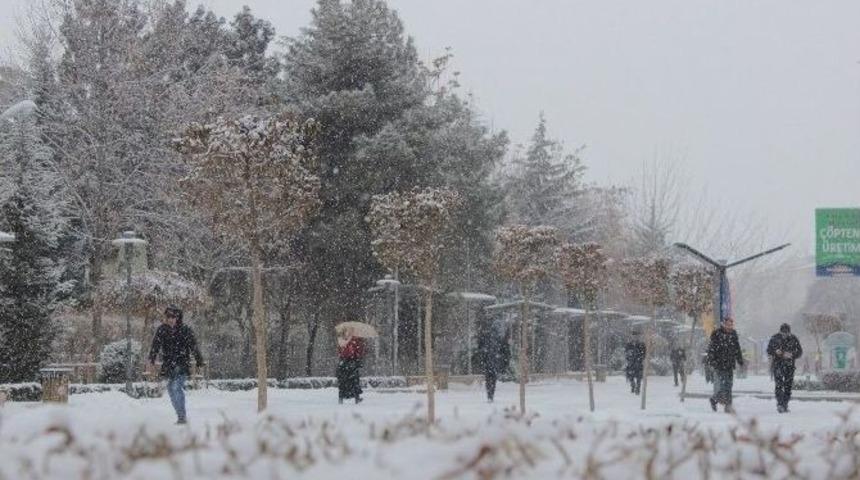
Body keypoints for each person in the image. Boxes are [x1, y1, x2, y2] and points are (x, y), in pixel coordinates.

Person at [148, 305, 204, 425]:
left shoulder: (185, 330)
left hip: (182, 364)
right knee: (170, 390)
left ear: (178, 317)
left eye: (173, 317)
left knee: (176, 387)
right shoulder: (162, 330)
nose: (171, 319)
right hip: (168, 365)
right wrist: (151, 359)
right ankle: (180, 415)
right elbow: (155, 346)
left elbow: (193, 346)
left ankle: (182, 417)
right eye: (168, 317)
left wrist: (199, 360)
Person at [707, 317, 744, 413]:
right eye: (728, 324)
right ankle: (720, 402)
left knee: (729, 385)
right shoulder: (717, 334)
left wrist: (740, 360)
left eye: (731, 325)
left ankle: (723, 403)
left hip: (730, 364)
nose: (730, 327)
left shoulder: (733, 334)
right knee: (724, 385)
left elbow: (737, 348)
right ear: (723, 324)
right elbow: (711, 349)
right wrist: (712, 361)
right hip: (719, 364)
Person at [766, 323, 803, 413]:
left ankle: (785, 404)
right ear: (780, 331)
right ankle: (780, 403)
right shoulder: (775, 338)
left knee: (788, 386)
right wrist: (775, 352)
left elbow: (800, 352)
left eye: (787, 333)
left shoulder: (793, 339)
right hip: (778, 364)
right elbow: (768, 350)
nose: (785, 335)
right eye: (783, 333)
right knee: (779, 385)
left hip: (789, 365)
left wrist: (791, 355)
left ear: (789, 332)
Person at [477, 318, 510, 402]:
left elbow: (480, 346)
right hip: (495, 362)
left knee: (488, 380)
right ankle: (491, 395)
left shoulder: (487, 336)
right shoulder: (499, 338)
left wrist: (483, 358)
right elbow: (505, 350)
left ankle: (489, 395)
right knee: (493, 380)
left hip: (488, 362)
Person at [336, 327, 365, 404]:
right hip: (352, 363)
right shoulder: (354, 341)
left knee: (343, 382)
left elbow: (339, 351)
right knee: (354, 381)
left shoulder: (342, 340)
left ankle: (341, 398)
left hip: (343, 363)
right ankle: (356, 398)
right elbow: (357, 352)